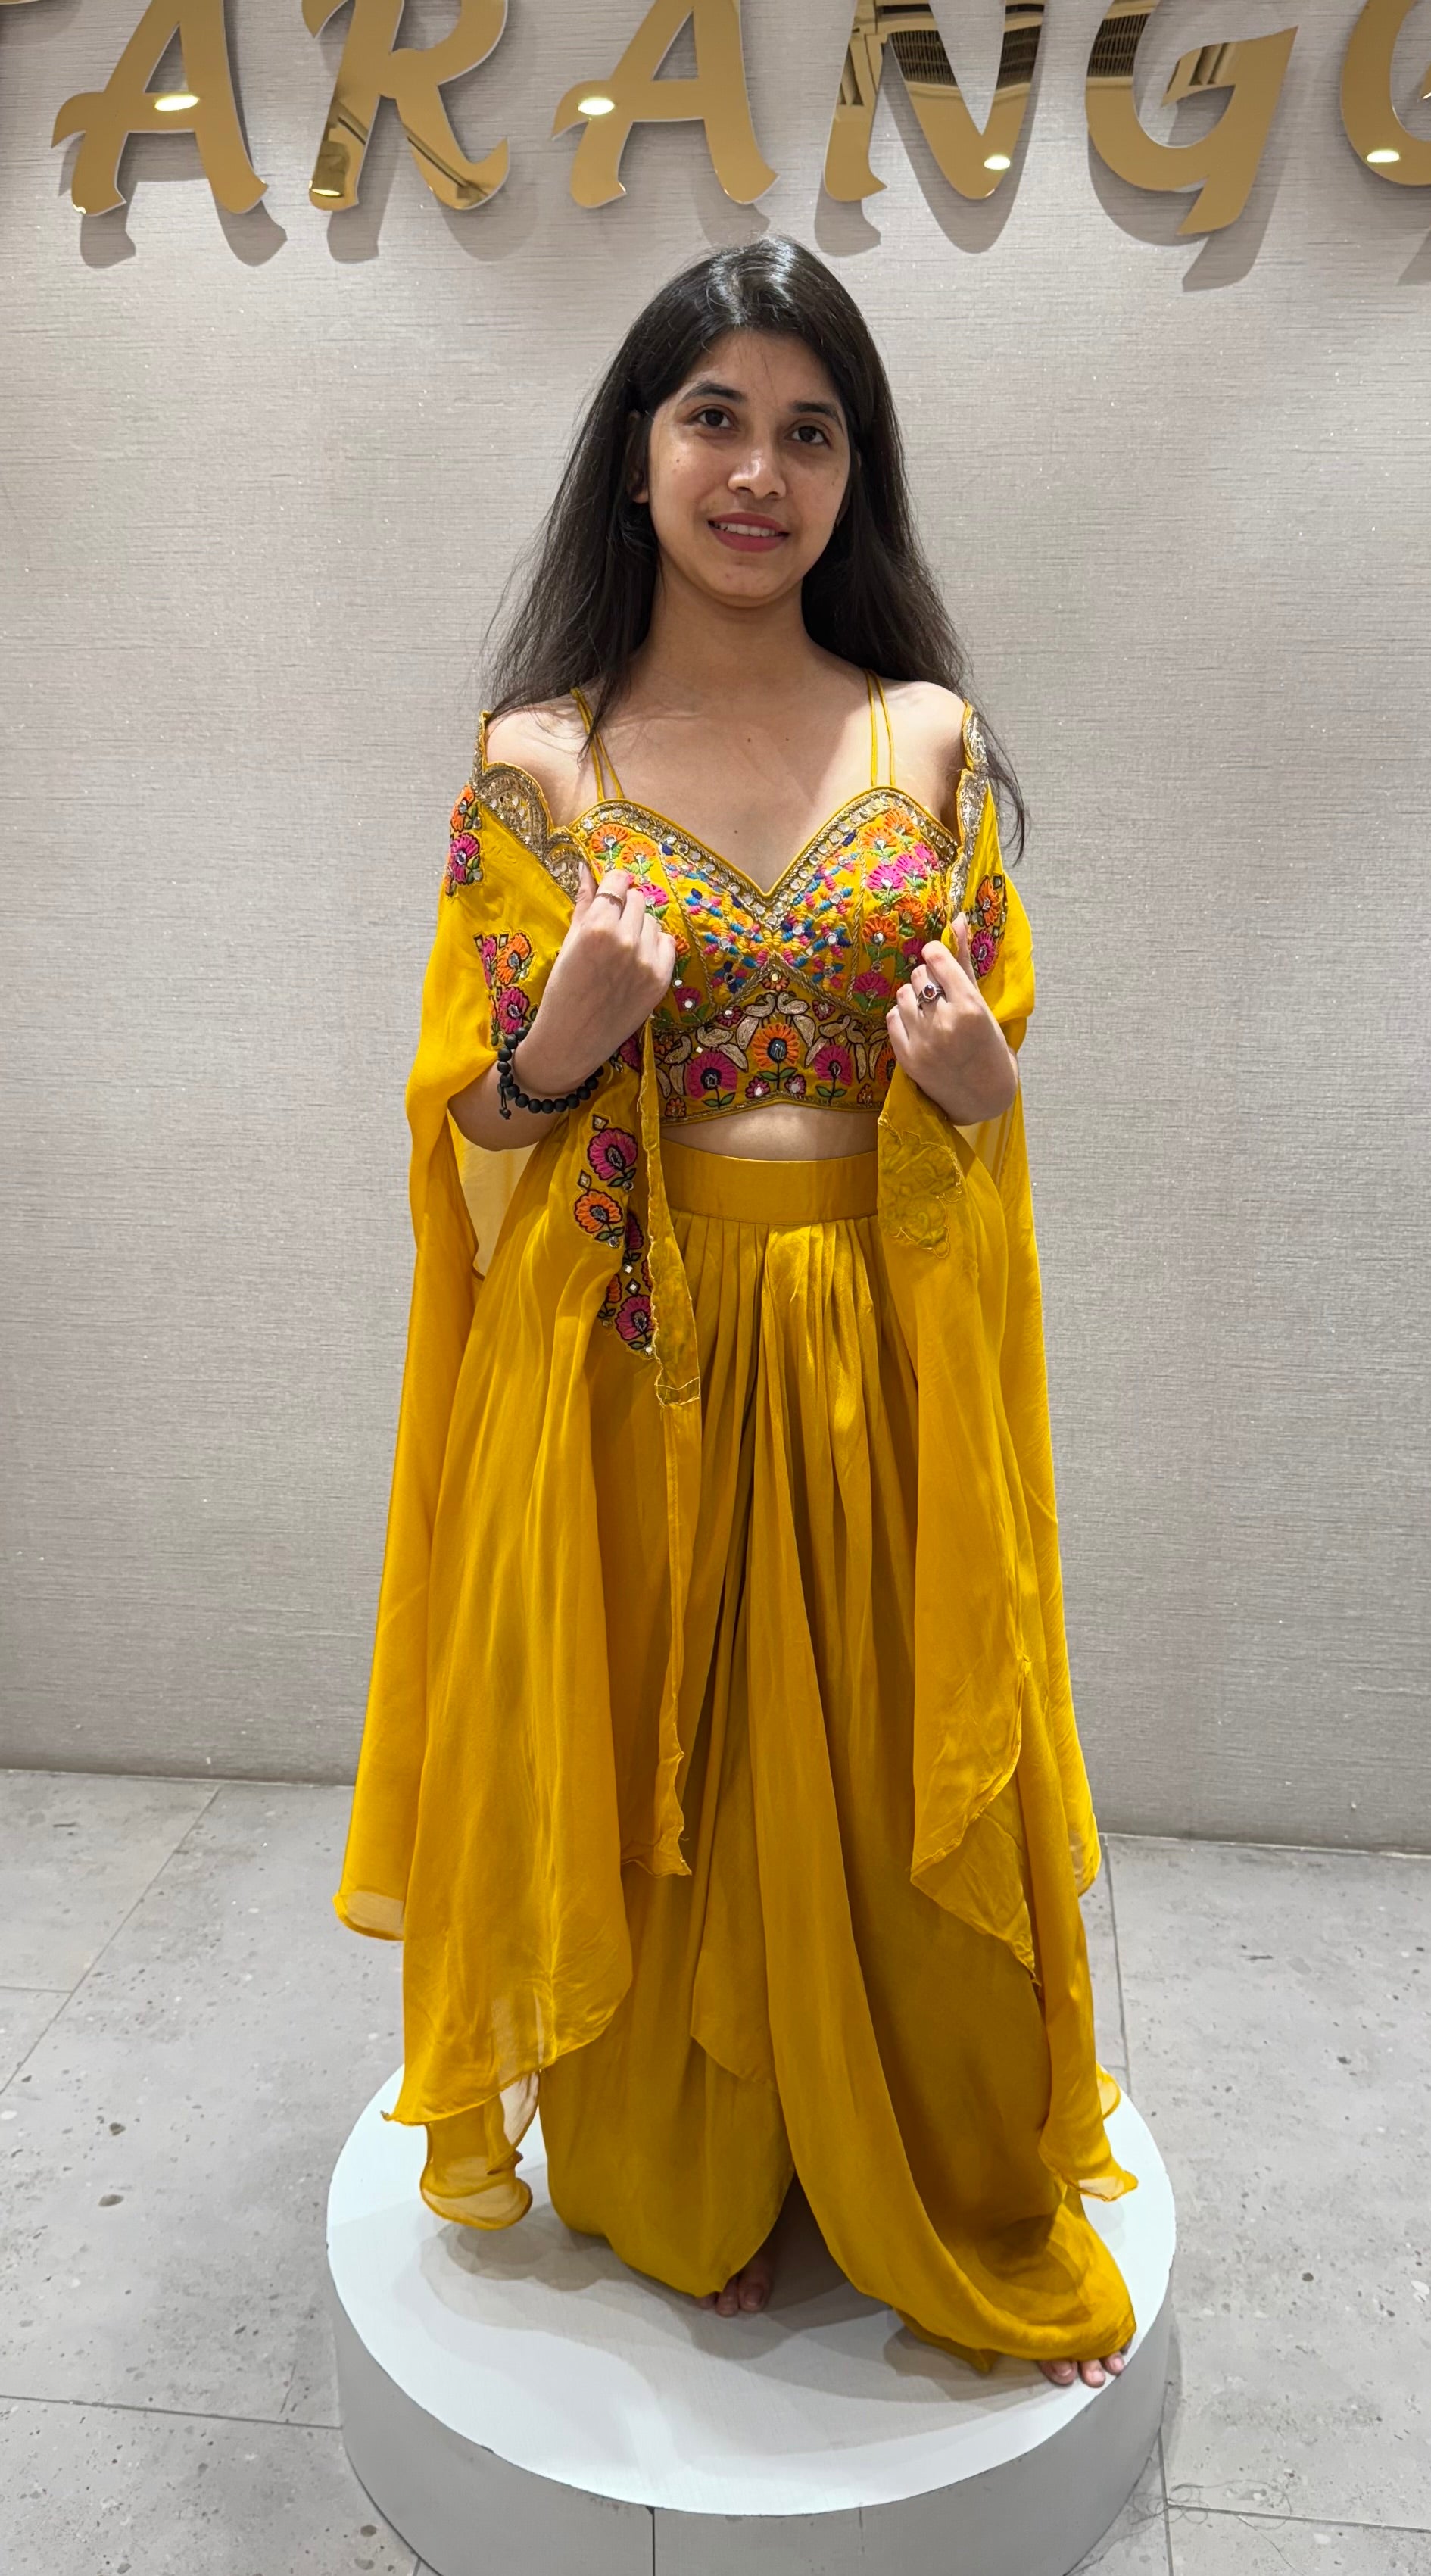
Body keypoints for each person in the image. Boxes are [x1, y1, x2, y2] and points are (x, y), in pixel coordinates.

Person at [335, 235, 1138, 2390]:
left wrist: (979, 1094)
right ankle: (691, 2169)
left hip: (876, 1359)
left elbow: (982, 1053)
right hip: (631, 1369)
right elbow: (469, 1145)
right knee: (662, 1763)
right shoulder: (538, 766)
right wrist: (560, 1048)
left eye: (808, 429)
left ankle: (923, 2151)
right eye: (715, 418)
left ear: (855, 476)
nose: (757, 470)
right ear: (634, 457)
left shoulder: (928, 739)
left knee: (888, 1765)